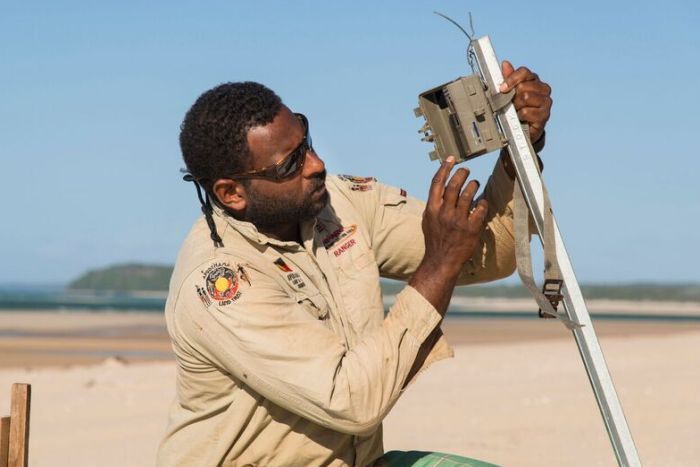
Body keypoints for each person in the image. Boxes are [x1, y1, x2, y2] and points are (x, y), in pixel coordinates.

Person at [157, 61, 552, 466]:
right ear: (231, 193)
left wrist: (517, 151)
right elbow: (351, 403)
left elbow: (496, 251)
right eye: (290, 164)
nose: (316, 165)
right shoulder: (220, 284)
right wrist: (439, 264)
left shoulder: (341, 204)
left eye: (306, 140)